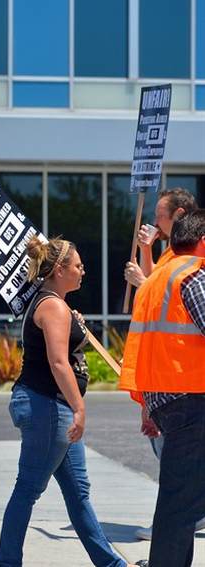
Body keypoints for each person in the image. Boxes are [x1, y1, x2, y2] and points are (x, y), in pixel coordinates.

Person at [0, 237, 127, 567]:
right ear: (59, 270)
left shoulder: (55, 304)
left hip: (53, 407)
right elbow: (58, 362)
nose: (83, 270)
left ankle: (112, 564)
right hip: (48, 407)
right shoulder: (52, 306)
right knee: (28, 488)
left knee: (78, 491)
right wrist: (79, 408)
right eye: (78, 265)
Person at [119, 209, 205, 567]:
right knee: (181, 500)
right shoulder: (194, 276)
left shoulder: (154, 281)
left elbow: (148, 346)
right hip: (191, 398)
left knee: (180, 498)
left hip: (166, 398)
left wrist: (146, 404)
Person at [125, 188, 197, 287]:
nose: (155, 222)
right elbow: (153, 277)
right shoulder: (173, 249)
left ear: (179, 214)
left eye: (160, 216)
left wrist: (141, 282)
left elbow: (177, 292)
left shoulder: (194, 250)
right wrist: (145, 248)